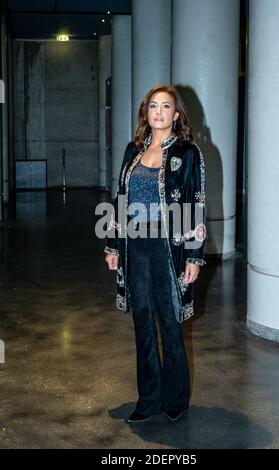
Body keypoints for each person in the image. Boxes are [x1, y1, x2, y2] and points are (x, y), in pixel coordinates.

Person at [104, 84, 207, 423]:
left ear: (177, 115)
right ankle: (149, 399)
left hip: (168, 249)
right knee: (143, 322)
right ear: (145, 113)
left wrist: (193, 256)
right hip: (136, 246)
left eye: (165, 106)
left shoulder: (187, 153)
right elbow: (120, 199)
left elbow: (194, 205)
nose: (158, 112)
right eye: (152, 106)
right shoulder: (132, 150)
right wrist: (113, 245)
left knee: (170, 322)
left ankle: (176, 398)